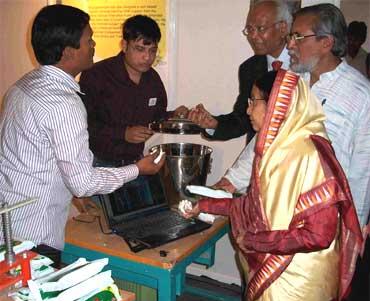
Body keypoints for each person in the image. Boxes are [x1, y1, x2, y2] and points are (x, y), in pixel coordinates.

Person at [182, 69, 363, 301]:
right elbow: (255, 207)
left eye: (254, 101)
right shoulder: (277, 149)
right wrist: (205, 205)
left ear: (278, 103)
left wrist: (255, 241)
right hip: (279, 269)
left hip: (297, 279)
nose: (248, 108)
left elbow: (319, 234)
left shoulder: (308, 155)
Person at [0, 5, 164, 266]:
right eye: (89, 40)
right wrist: (138, 169)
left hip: (9, 221)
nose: (94, 45)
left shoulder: (21, 86)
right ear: (68, 52)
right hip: (34, 234)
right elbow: (83, 182)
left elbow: (40, 156)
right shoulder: (64, 102)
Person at [214, 4, 370, 232]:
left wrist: (352, 228)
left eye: (297, 37)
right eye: (290, 37)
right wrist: (230, 182)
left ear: (326, 42)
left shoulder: (360, 95)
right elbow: (266, 138)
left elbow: (363, 173)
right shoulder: (292, 84)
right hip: (278, 212)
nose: (290, 45)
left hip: (324, 223)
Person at [79, 15, 188, 167]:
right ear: (124, 45)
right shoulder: (97, 75)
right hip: (98, 163)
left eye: (152, 50)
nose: (147, 57)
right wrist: (123, 133)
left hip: (136, 162)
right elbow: (83, 123)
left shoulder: (152, 79)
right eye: (140, 49)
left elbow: (156, 117)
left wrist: (174, 115)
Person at [187, 0, 292, 142]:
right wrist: (214, 124)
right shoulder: (249, 68)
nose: (253, 36)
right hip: (260, 157)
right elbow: (242, 119)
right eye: (250, 30)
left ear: (283, 28)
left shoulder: (304, 63)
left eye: (260, 28)